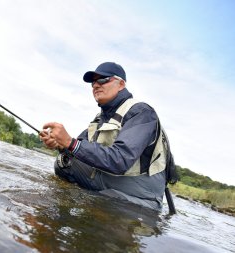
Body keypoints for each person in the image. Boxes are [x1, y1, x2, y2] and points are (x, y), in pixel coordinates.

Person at [40, 62, 176, 211]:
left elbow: (120, 159)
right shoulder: (102, 117)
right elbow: (77, 148)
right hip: (115, 178)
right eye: (93, 82)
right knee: (64, 163)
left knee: (103, 203)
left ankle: (115, 207)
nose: (95, 85)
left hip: (143, 192)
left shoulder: (142, 112)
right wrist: (61, 145)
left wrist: (69, 143)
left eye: (103, 80)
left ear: (121, 84)